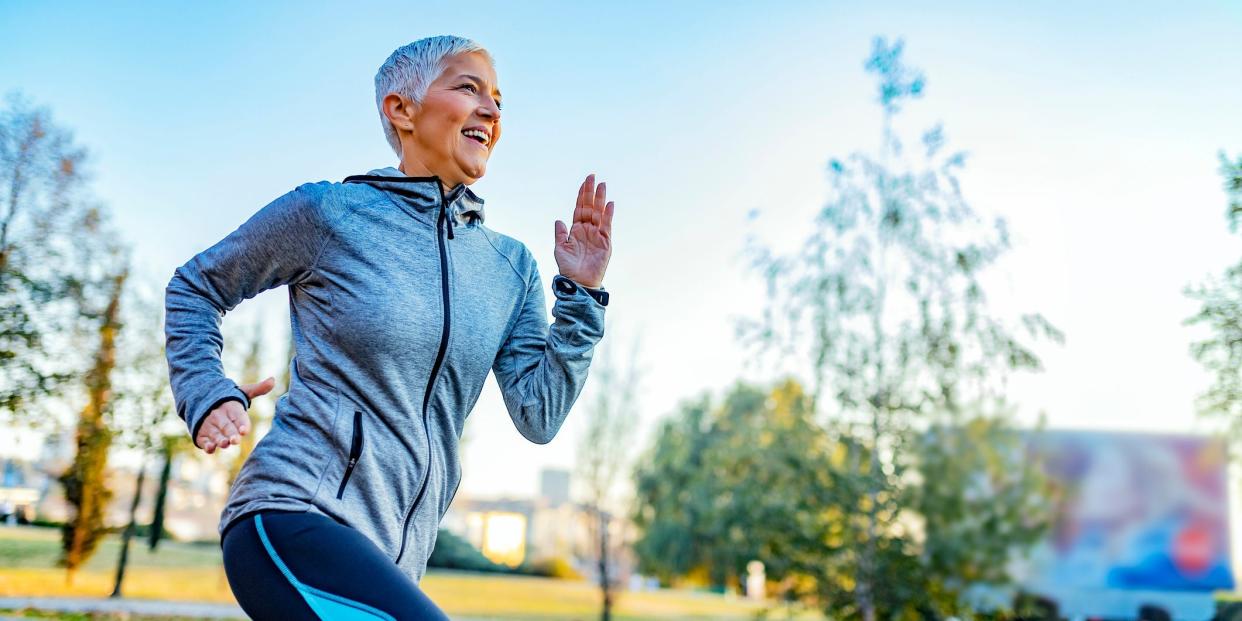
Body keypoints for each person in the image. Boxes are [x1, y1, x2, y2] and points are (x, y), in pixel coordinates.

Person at [164, 35, 614, 619]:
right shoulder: (330, 214)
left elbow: (540, 412)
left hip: (393, 559)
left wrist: (582, 296)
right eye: (468, 88)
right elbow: (197, 286)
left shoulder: (511, 267)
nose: (492, 111)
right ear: (401, 110)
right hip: (295, 510)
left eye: (498, 99)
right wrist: (205, 391)